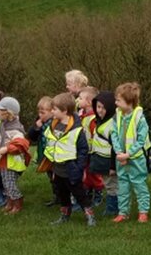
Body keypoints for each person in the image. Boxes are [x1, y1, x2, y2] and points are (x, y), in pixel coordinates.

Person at [43, 92, 96, 227]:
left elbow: (83, 150)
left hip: (71, 168)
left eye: (55, 109)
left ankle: (89, 215)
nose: (52, 112)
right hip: (57, 167)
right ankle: (65, 214)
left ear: (65, 111)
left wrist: (79, 167)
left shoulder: (76, 129)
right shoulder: (54, 125)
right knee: (62, 194)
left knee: (79, 193)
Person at [110, 82, 151, 223]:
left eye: (118, 100)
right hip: (120, 157)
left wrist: (128, 154)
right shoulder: (117, 115)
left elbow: (141, 140)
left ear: (129, 102)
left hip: (136, 159)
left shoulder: (139, 118)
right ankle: (123, 212)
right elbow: (113, 134)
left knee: (139, 185)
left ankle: (143, 211)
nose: (116, 103)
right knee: (122, 186)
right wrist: (119, 152)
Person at [0, 97, 31, 214]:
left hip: (11, 162)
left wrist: (6, 148)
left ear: (8, 113)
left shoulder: (15, 129)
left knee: (10, 184)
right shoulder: (3, 124)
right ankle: (10, 203)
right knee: (5, 183)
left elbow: (21, 145)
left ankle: (18, 203)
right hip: (3, 160)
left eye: (0, 110)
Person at [89, 91, 119, 216]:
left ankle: (113, 208)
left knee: (112, 185)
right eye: (98, 107)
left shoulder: (111, 125)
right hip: (102, 159)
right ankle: (114, 206)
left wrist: (113, 166)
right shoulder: (101, 121)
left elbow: (114, 148)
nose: (100, 110)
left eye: (103, 108)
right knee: (109, 184)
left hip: (109, 161)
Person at [27, 96, 57, 206]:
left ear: (52, 112)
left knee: (57, 176)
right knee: (51, 176)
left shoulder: (55, 123)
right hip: (44, 153)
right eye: (39, 112)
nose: (40, 115)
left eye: (43, 113)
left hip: (54, 155)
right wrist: (36, 127)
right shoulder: (39, 122)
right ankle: (56, 195)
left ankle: (62, 196)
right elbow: (31, 136)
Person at [78, 86, 104, 206]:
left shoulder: (93, 119)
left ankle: (98, 194)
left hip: (93, 151)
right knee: (86, 173)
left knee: (94, 173)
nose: (78, 100)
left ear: (88, 102)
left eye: (80, 98)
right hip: (85, 151)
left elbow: (95, 135)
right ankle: (87, 193)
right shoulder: (83, 116)